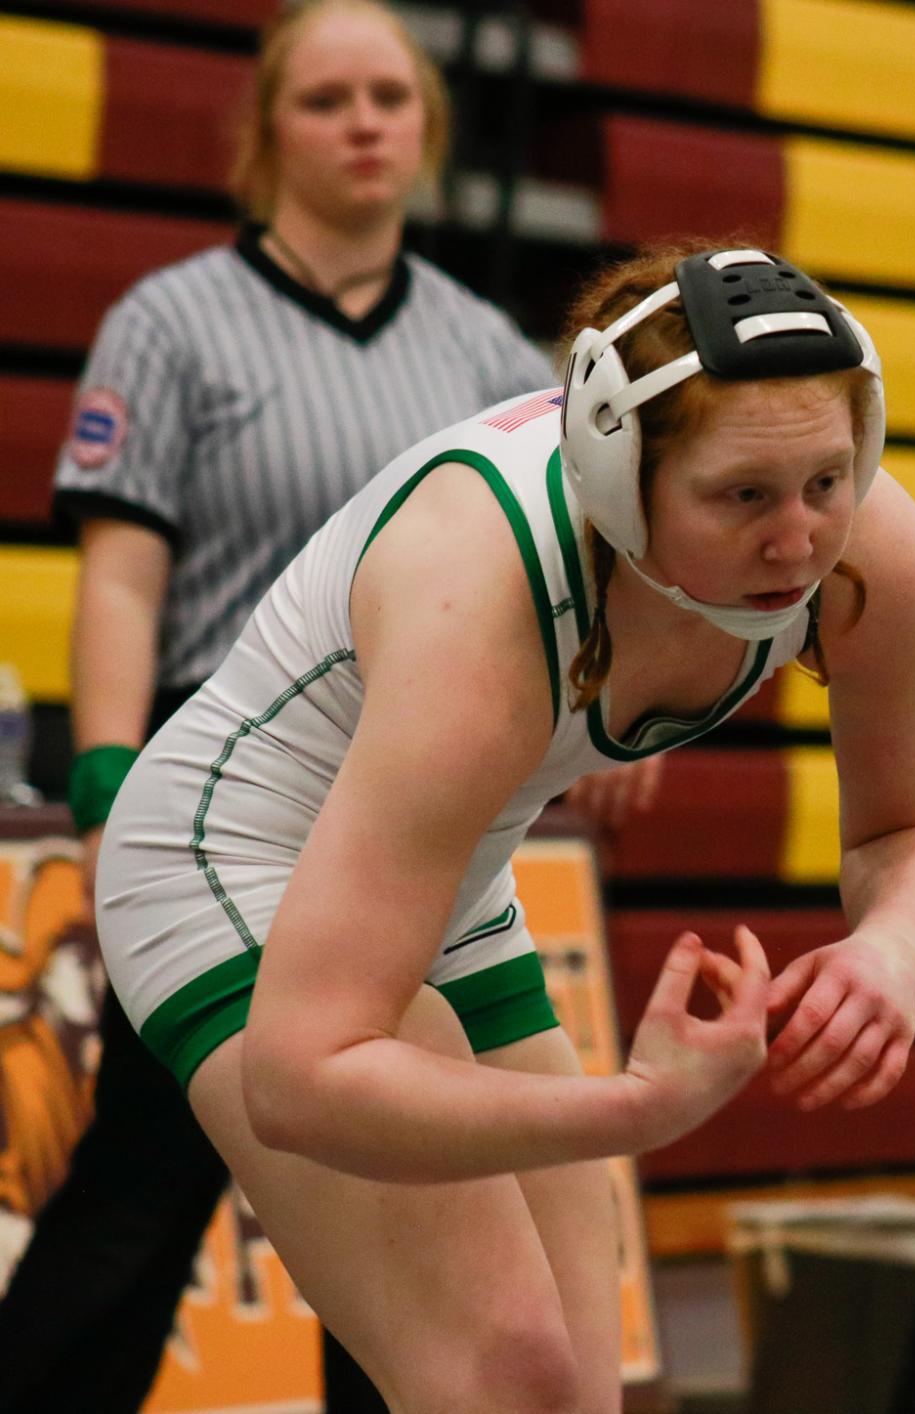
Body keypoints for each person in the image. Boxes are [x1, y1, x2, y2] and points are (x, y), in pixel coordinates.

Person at [90, 240, 915, 1413]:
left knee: (573, 1395)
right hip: (233, 858)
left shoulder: (870, 550)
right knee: (503, 1380)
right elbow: (302, 1079)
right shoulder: (484, 597)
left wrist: (891, 949)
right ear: (619, 482)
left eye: (827, 479)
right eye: (743, 496)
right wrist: (635, 1108)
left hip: (438, 866)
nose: (798, 540)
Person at [0, 3, 562, 1408]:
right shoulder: (172, 319)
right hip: (221, 791)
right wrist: (109, 773)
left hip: (425, 795)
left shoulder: (488, 348)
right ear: (265, 133)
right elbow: (124, 578)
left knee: (412, 1174)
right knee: (146, 1169)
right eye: (326, 100)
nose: (365, 122)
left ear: (428, 125)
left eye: (390, 95)